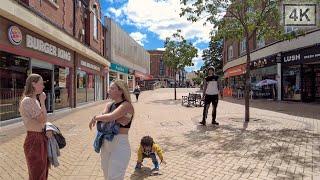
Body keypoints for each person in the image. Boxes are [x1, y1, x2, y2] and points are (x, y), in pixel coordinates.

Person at [89, 79, 134, 180]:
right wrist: (106, 118)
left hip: (120, 144)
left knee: (114, 177)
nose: (108, 90)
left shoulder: (126, 105)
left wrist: (95, 118)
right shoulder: (109, 105)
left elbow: (109, 117)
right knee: (106, 174)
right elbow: (105, 118)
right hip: (106, 143)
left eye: (112, 88)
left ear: (121, 91)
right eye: (109, 88)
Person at [19, 73, 52, 180]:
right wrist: (43, 102)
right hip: (34, 139)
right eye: (41, 83)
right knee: (37, 173)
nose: (43, 86)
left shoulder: (34, 101)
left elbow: (43, 121)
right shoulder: (28, 101)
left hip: (40, 138)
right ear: (33, 84)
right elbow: (43, 119)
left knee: (42, 170)